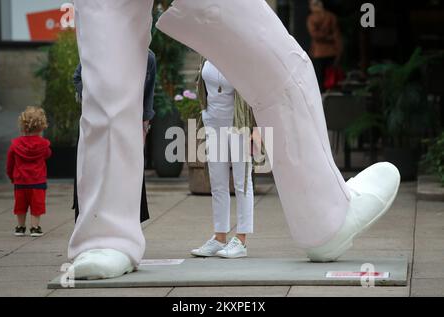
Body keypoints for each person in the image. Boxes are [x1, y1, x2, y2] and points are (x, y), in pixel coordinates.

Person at [69, 0, 400, 280]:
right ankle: (325, 216)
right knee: (278, 64)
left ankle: (105, 238)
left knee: (108, 89)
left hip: (230, 127)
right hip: (218, 125)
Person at [72, 50, 157, 223]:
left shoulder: (146, 56)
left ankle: (125, 227)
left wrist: (144, 126)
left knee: (126, 184)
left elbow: (147, 96)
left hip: (128, 126)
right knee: (94, 179)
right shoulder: (98, 49)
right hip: (98, 125)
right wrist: (94, 102)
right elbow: (78, 77)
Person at [190, 58, 257, 259]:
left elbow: (256, 92)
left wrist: (257, 130)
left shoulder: (239, 53)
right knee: (218, 183)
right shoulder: (205, 54)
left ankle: (241, 240)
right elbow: (202, 85)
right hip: (213, 124)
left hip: (239, 124)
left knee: (242, 182)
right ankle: (220, 237)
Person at [6, 106, 51, 237]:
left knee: (20, 205)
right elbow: (48, 154)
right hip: (38, 181)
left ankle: (20, 227)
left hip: (20, 181)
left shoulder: (15, 144)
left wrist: (11, 176)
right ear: (42, 126)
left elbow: (10, 163)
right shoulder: (43, 144)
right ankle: (35, 227)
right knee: (37, 205)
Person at [307, 0, 343, 91]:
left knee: (320, 78)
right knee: (329, 77)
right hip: (331, 51)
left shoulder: (312, 18)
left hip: (318, 52)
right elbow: (336, 36)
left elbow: (314, 35)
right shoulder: (331, 16)